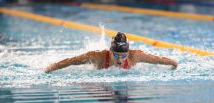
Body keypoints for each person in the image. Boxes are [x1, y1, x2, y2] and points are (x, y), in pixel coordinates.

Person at [45, 32, 178, 73]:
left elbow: (158, 59)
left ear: (128, 53)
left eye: (123, 56)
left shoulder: (136, 56)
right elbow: (71, 61)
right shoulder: (96, 56)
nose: (120, 59)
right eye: (116, 55)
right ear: (110, 52)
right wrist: (53, 67)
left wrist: (173, 63)